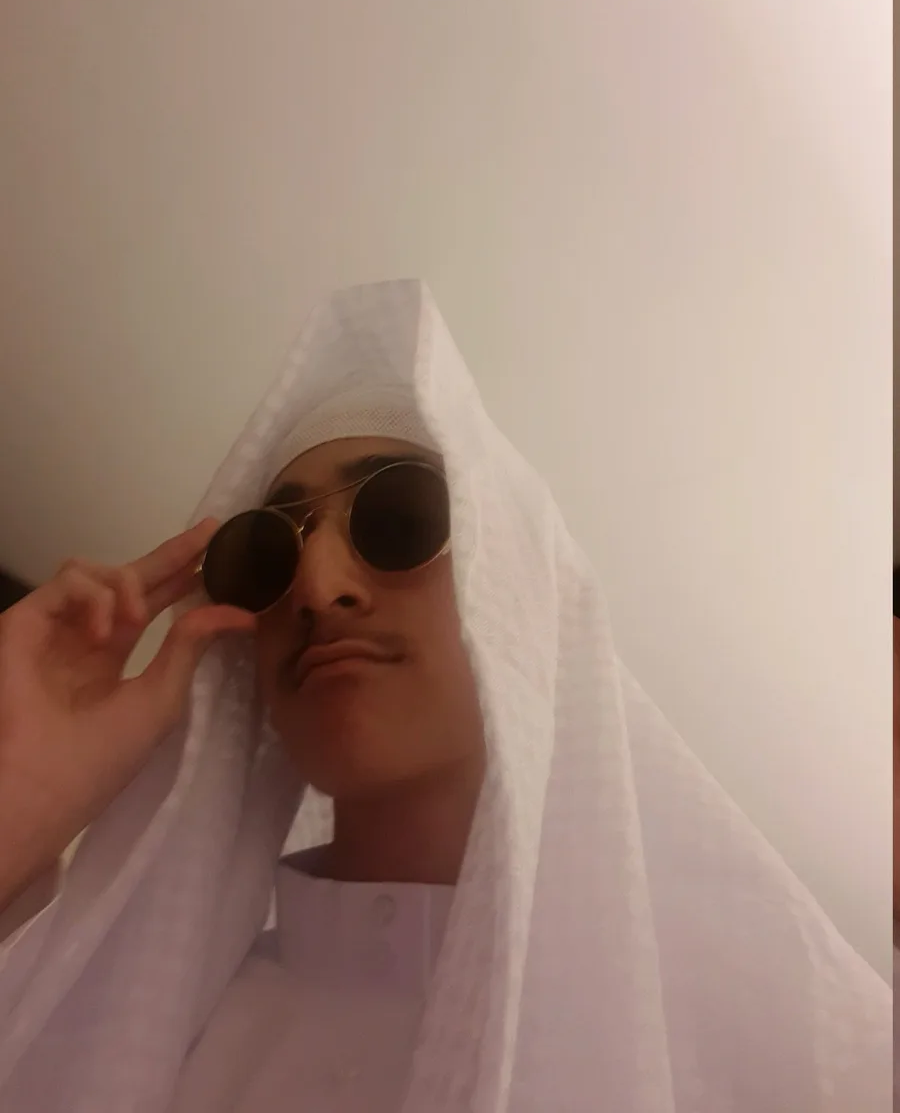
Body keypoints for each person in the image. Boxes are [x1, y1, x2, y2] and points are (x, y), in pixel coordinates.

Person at [0, 280, 890, 1111]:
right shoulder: (136, 1034)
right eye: (266, 552)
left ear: (518, 598)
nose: (317, 585)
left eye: (398, 518)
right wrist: (22, 808)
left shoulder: (799, 1049)